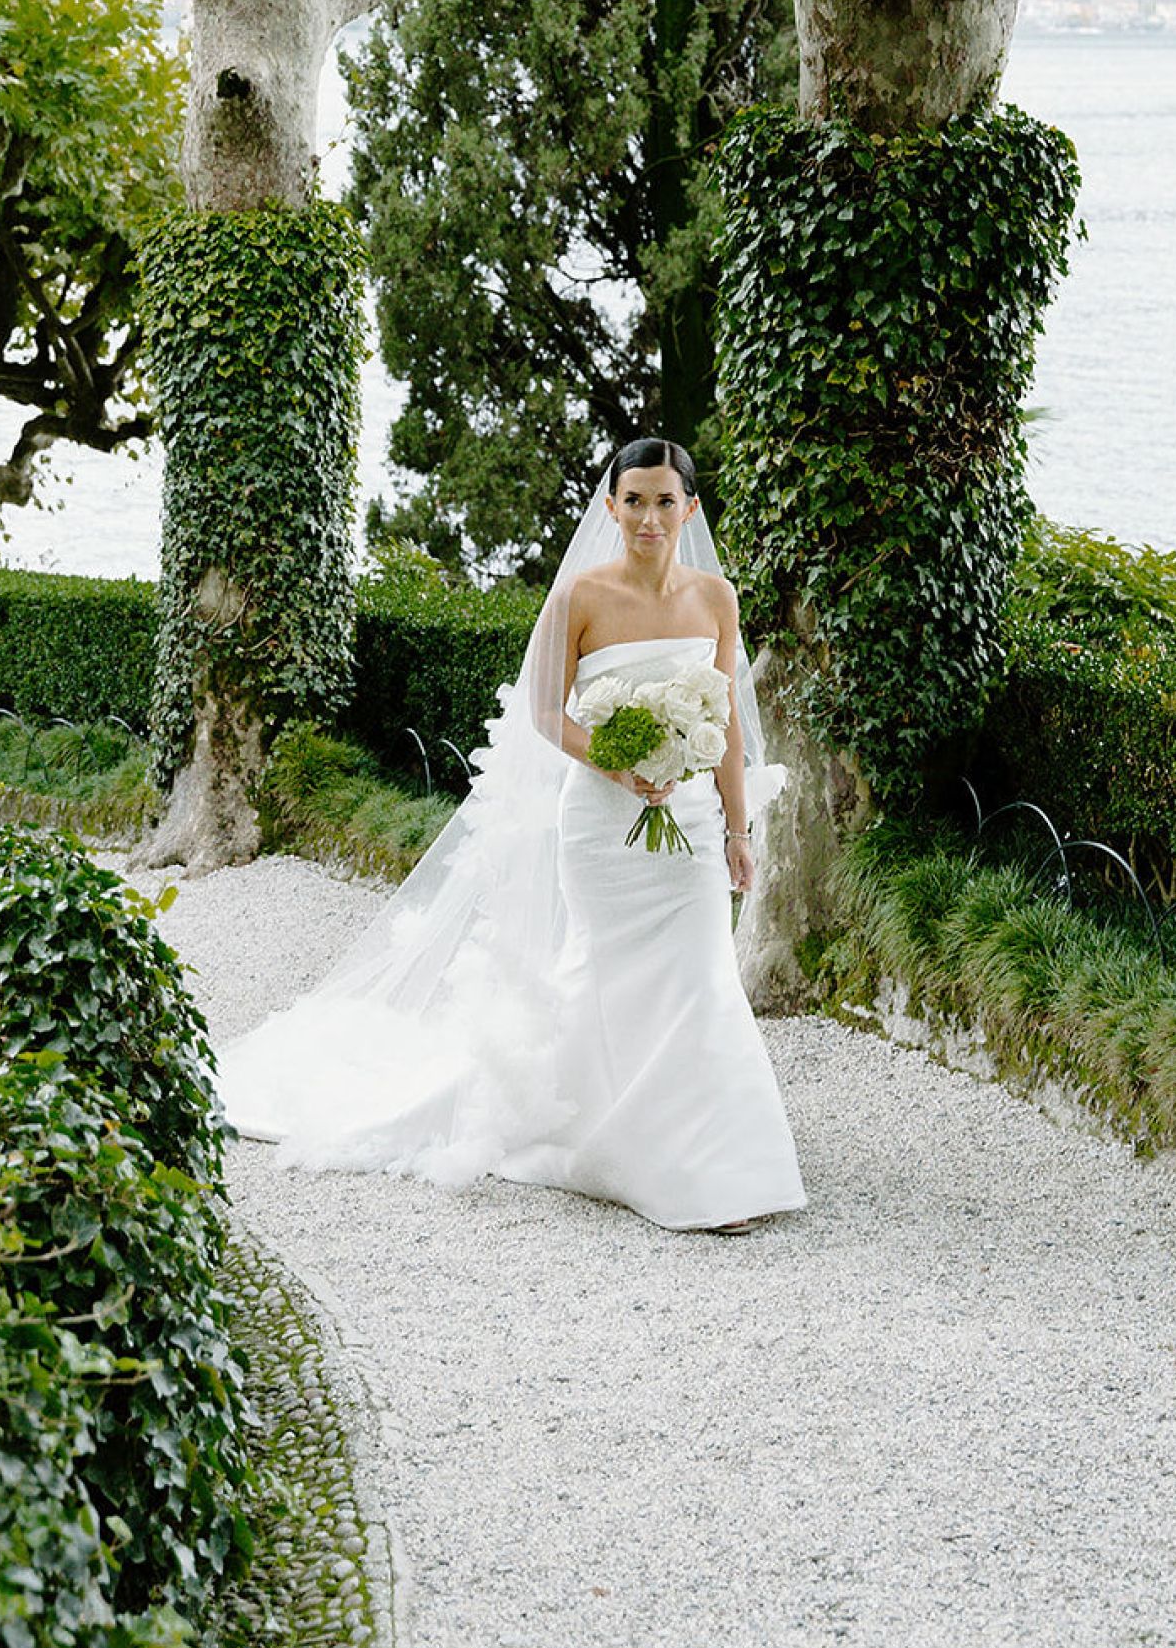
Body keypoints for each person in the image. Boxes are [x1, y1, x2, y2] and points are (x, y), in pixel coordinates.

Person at [218, 438, 806, 1233]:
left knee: (700, 976)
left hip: (693, 828)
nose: (648, 517)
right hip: (601, 826)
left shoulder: (716, 598)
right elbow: (543, 712)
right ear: (611, 506)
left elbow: (727, 723)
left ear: (689, 509)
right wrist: (623, 763)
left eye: (665, 501)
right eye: (633, 499)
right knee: (604, 977)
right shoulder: (581, 596)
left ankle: (714, 1163)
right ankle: (614, 1144)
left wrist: (738, 829)